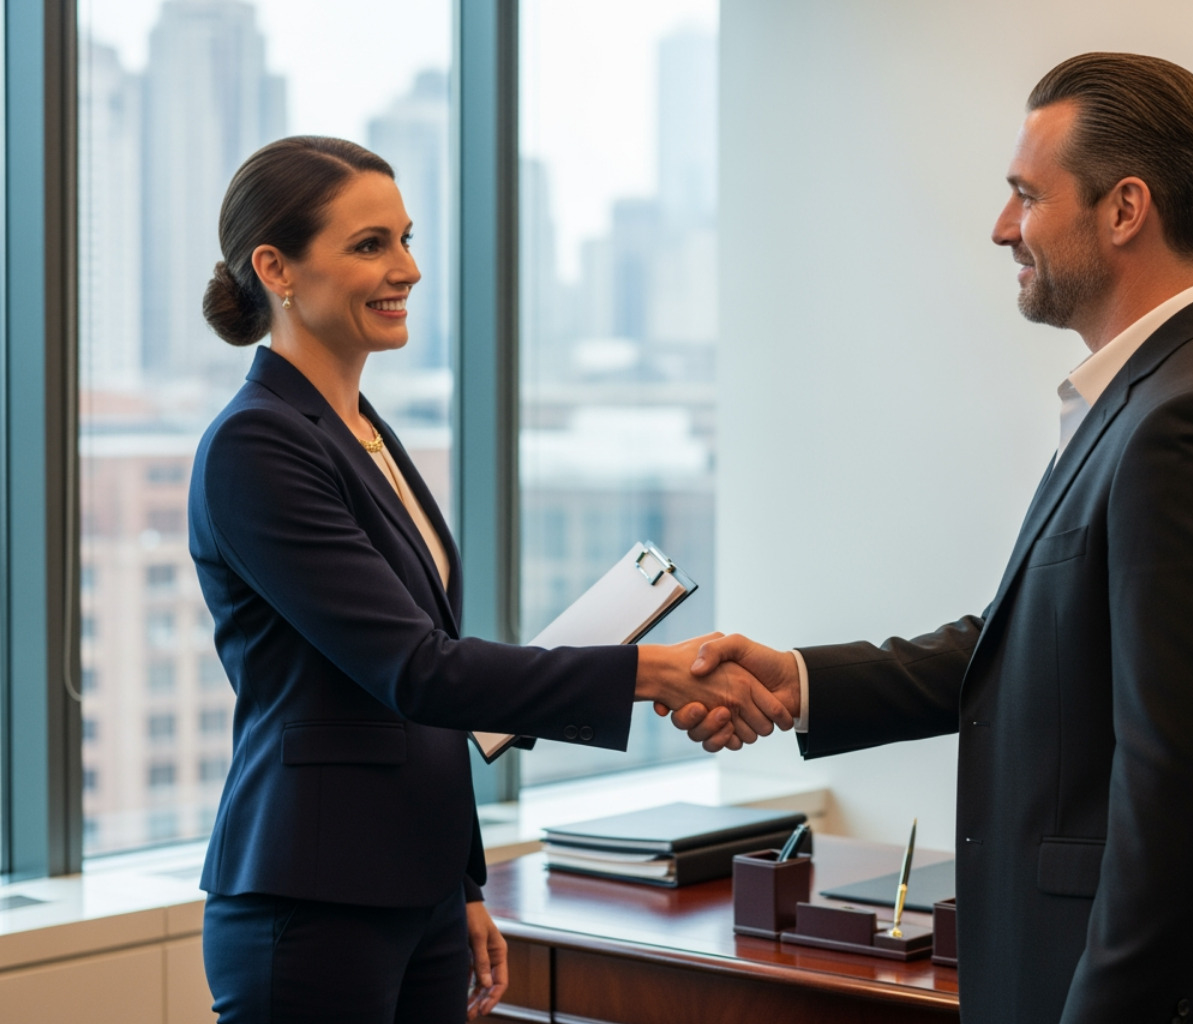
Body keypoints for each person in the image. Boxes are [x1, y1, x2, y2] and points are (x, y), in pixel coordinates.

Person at [669, 53, 1193, 1023]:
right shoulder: (1150, 402)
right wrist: (799, 683)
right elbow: (1027, 646)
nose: (1001, 226)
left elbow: (1179, 806)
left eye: (1026, 194)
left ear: (1124, 208)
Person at [190, 136, 791, 1024]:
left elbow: (420, 701)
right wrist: (654, 672)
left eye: (404, 238)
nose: (408, 268)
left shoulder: (365, 432)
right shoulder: (257, 443)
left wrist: (461, 881)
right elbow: (418, 669)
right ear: (275, 266)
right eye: (370, 245)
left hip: (416, 892)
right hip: (312, 898)